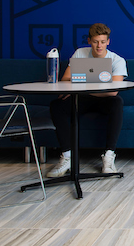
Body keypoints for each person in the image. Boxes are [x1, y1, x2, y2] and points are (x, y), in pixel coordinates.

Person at [47, 23, 128, 177]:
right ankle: (67, 156)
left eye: (103, 42)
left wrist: (80, 87)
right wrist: (83, 89)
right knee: (57, 105)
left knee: (117, 103)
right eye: (96, 41)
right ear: (89, 40)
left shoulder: (117, 60)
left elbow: (113, 92)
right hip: (82, 99)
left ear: (108, 42)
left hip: (102, 100)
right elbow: (65, 80)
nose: (99, 46)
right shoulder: (80, 53)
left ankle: (109, 156)